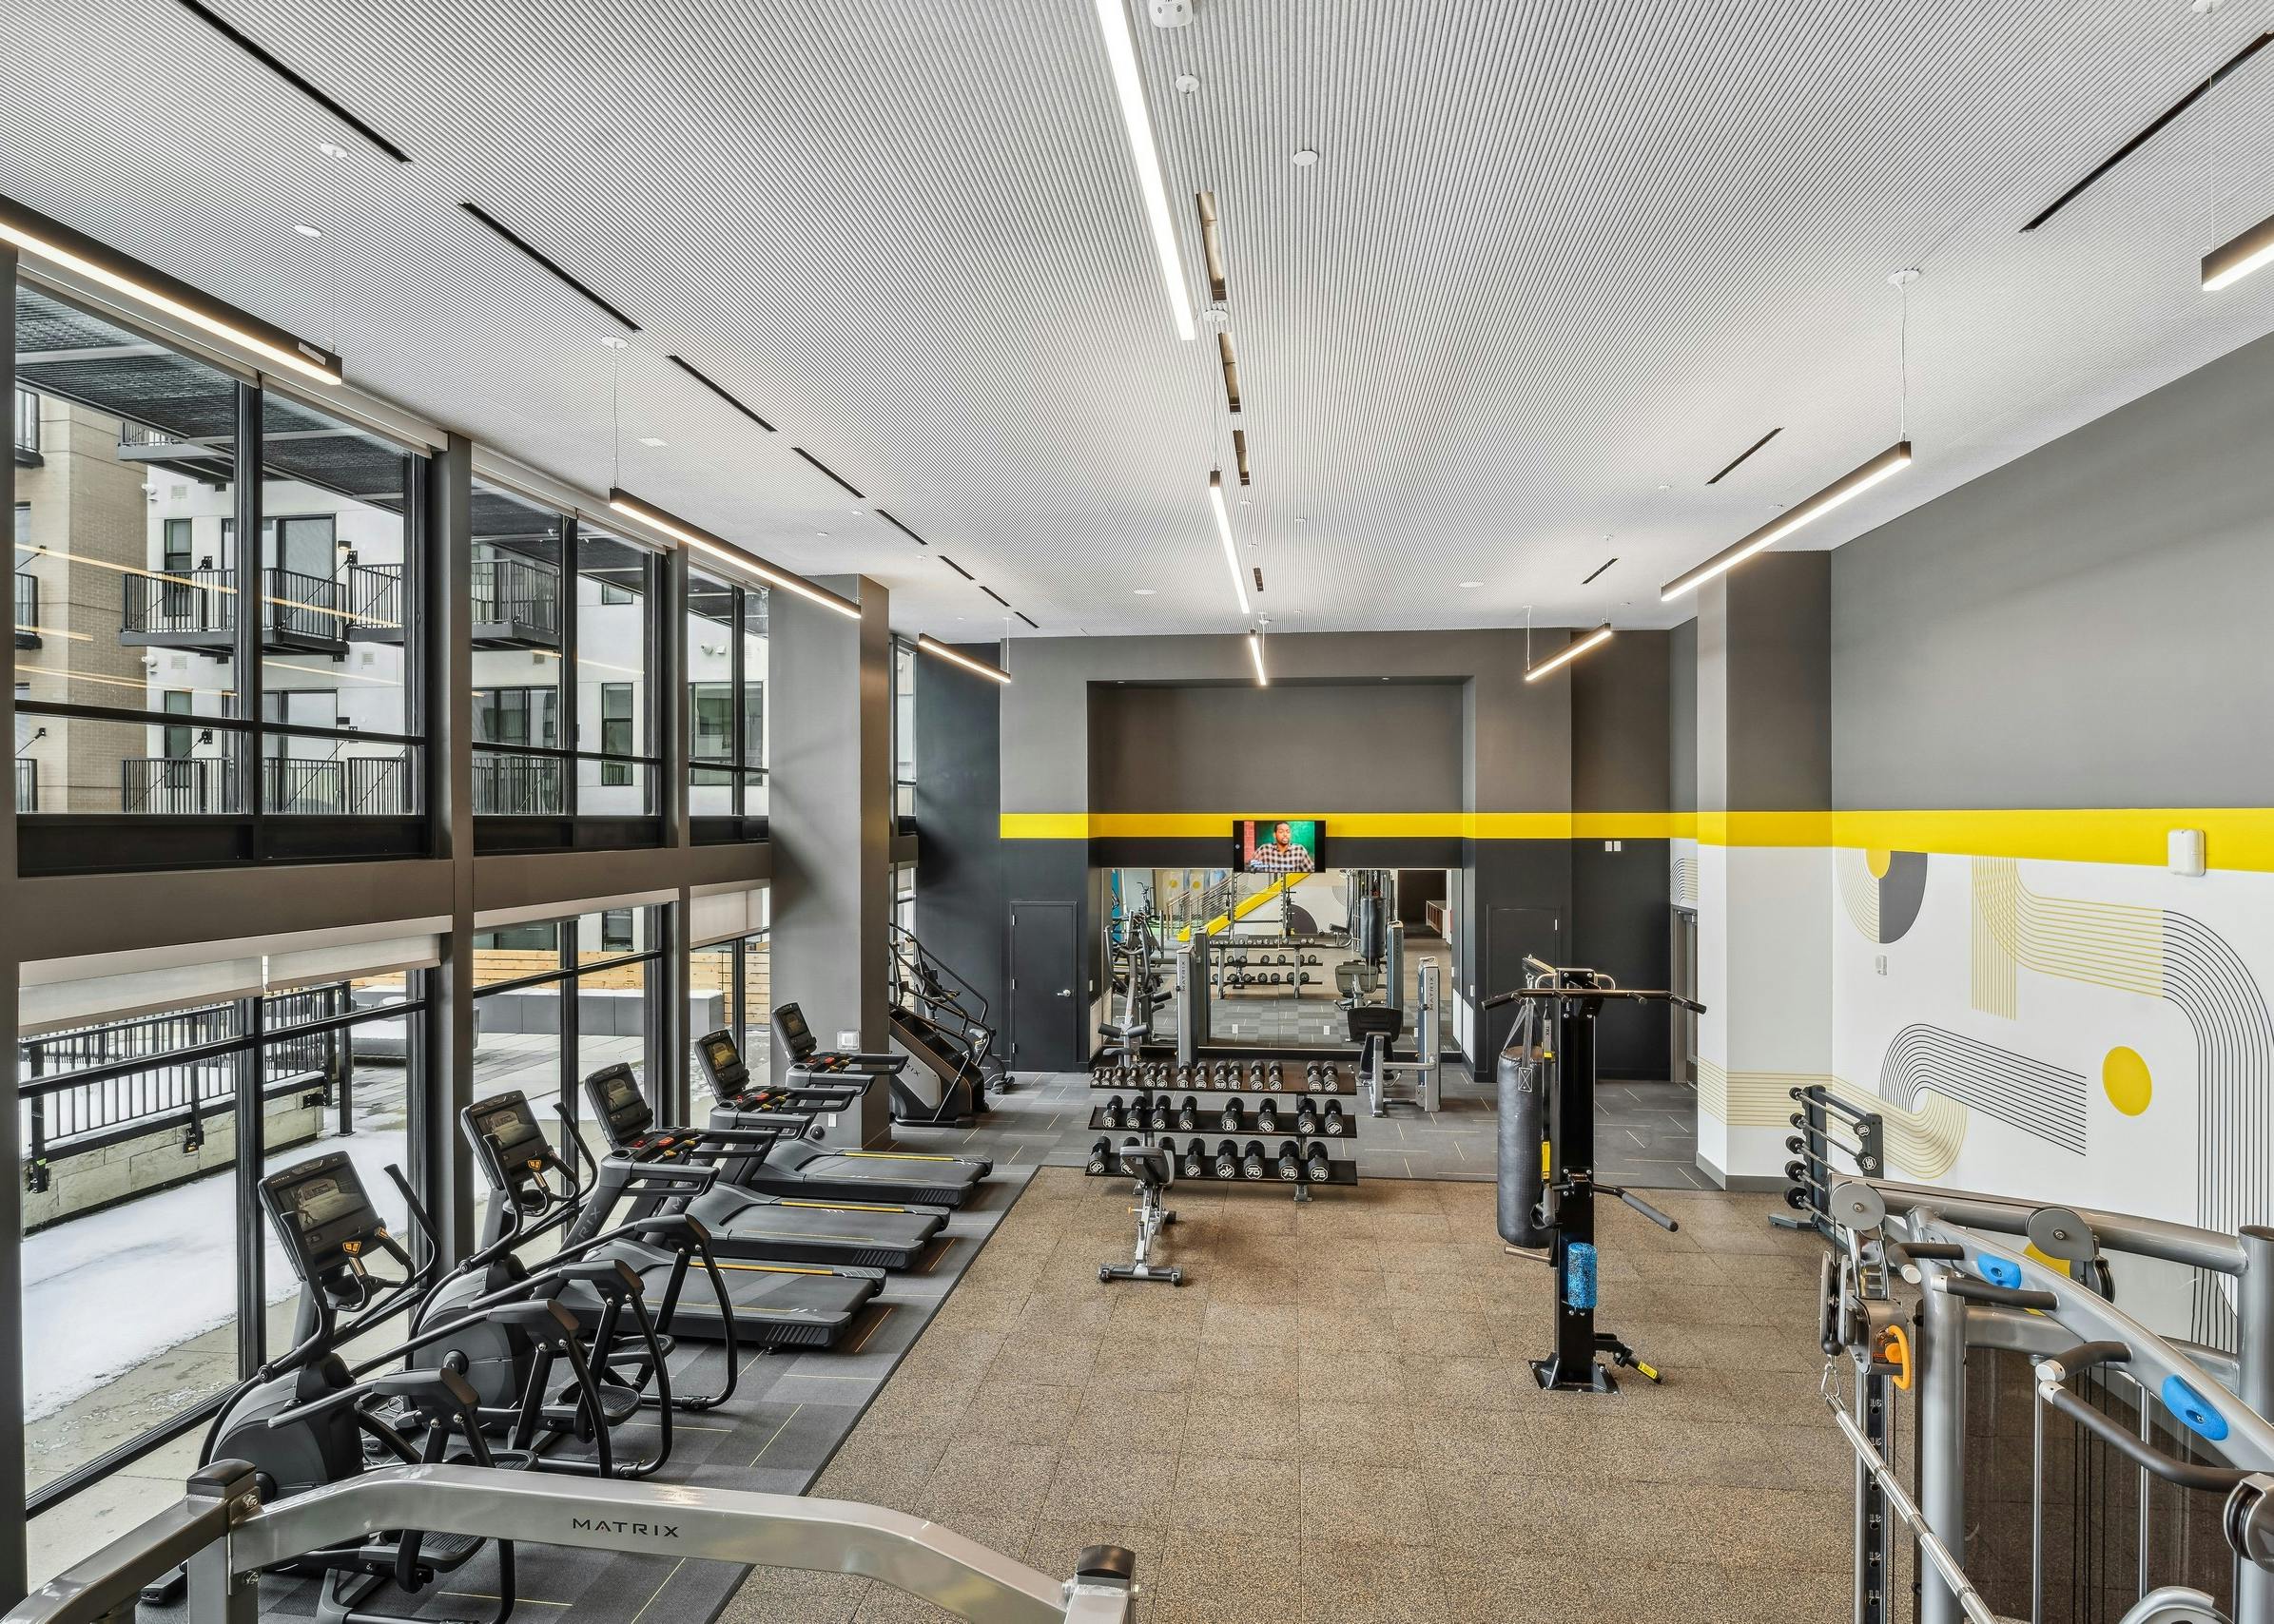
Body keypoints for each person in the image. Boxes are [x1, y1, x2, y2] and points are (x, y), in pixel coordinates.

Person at [1249, 820, 1315, 874]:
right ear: (1275, 835)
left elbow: (1311, 871)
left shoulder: (1299, 850)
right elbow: (1250, 869)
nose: (1285, 834)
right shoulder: (1264, 850)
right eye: (1281, 832)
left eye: (1288, 832)